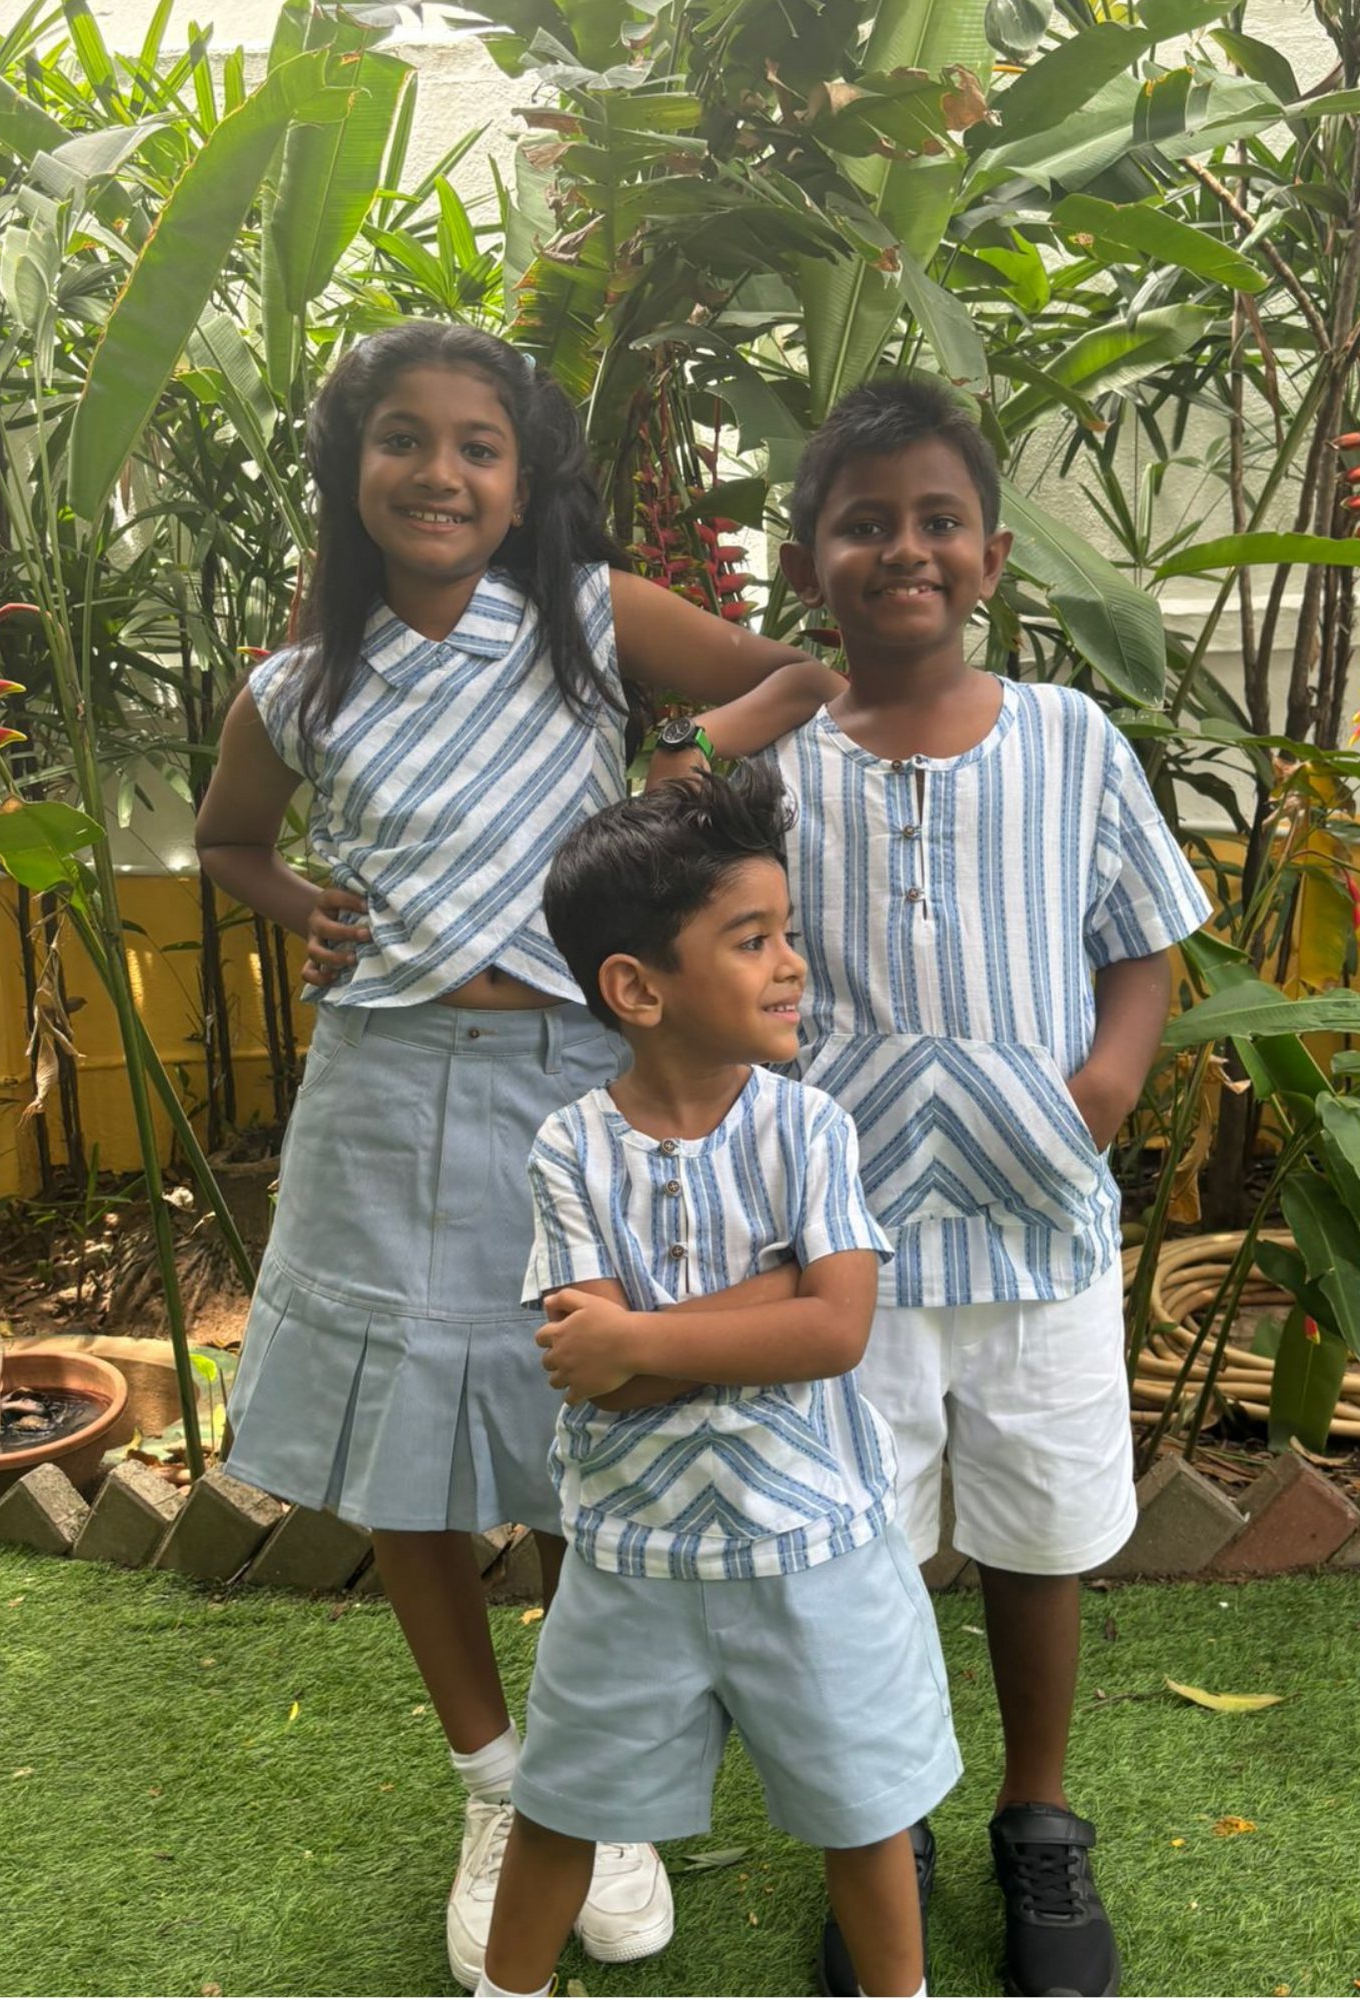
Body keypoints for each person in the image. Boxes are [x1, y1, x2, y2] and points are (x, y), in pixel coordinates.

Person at [193, 320, 837, 1988]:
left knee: (587, 1423)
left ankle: (590, 1772)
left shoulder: (580, 619)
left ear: (520, 472)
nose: (438, 471)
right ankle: (497, 1786)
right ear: (350, 468)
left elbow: (791, 673)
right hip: (386, 1089)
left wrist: (681, 767)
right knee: (415, 1450)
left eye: (477, 444)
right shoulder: (300, 680)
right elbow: (226, 840)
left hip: (575, 1078)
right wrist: (298, 909)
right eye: (400, 438)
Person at [650, 377, 1212, 1999]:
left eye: (935, 519)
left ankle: (1035, 1818)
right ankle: (879, 1827)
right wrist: (738, 718)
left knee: (1037, 1542)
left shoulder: (1065, 740)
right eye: (862, 522)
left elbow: (1142, 944)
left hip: (1032, 1231)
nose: (903, 547)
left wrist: (1104, 1082)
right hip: (844, 1262)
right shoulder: (779, 775)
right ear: (812, 561)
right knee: (857, 1555)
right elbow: (636, 850)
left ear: (986, 553)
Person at [474, 768, 960, 2000]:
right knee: (560, 1805)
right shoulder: (567, 1148)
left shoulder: (811, 1129)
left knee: (868, 1814)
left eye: (786, 932)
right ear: (636, 988)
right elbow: (592, 1373)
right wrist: (766, 1298)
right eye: (753, 939)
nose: (790, 962)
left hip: (816, 1553)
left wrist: (644, 1334)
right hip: (629, 1563)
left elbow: (837, 1326)